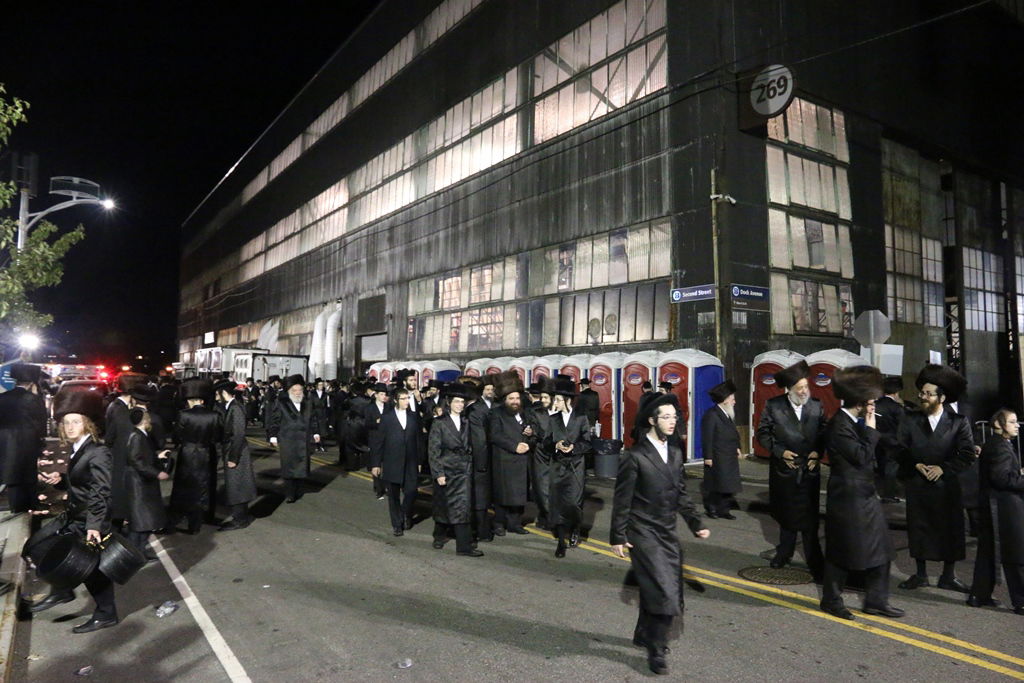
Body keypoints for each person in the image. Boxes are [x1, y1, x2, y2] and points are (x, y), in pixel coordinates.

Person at [611, 394, 709, 676]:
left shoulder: (676, 453)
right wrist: (618, 535)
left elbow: (680, 494)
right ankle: (656, 648)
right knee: (665, 589)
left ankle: (644, 632)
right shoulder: (635, 456)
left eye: (674, 417)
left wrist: (695, 523)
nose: (672, 422)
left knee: (662, 587)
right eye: (665, 417)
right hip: (642, 531)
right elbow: (623, 499)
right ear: (652, 421)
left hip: (666, 531)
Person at [30, 386, 119, 633]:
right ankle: (63, 589)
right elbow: (80, 482)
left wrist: (94, 525)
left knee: (92, 571)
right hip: (74, 514)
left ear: (87, 423)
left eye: (76, 422)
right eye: (66, 422)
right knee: (37, 546)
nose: (70, 427)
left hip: (87, 518)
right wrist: (59, 480)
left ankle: (105, 613)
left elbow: (102, 491)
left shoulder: (98, 451)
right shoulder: (77, 447)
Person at [820, 365, 903, 621]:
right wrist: (870, 428)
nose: (872, 404)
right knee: (843, 551)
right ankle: (831, 600)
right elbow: (861, 455)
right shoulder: (839, 425)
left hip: (866, 495)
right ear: (858, 400)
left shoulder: (853, 422)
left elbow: (876, 446)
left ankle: (876, 601)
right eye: (869, 400)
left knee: (882, 549)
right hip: (848, 497)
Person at [895, 364, 975, 592]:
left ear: (942, 397)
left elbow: (967, 454)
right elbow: (899, 449)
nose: (923, 397)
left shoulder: (959, 422)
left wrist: (944, 468)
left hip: (946, 486)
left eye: (929, 394)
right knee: (919, 529)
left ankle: (948, 576)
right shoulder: (909, 419)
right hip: (918, 484)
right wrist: (915, 464)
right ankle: (920, 575)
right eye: (922, 392)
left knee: (950, 531)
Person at [755, 360, 825, 578]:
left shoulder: (817, 405)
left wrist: (817, 452)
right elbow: (763, 434)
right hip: (785, 470)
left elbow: (824, 432)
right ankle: (784, 553)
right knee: (786, 515)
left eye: (806, 387)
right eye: (800, 388)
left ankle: (814, 559)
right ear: (789, 390)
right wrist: (779, 452)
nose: (804, 391)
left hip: (809, 470)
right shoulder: (774, 405)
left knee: (810, 517)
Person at [967, 409, 1024, 615]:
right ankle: (1021, 601)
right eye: (1012, 422)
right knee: (1016, 554)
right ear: (999, 425)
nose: (1017, 425)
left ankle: (978, 595)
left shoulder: (996, 444)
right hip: (1004, 507)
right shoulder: (1000, 446)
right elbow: (1001, 478)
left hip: (994, 506)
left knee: (988, 552)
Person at [428, 384, 482, 557]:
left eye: (462, 402)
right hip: (447, 469)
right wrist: (439, 473)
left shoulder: (467, 422)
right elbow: (433, 451)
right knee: (443, 505)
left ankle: (464, 546)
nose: (460, 404)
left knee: (463, 507)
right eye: (457, 401)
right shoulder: (439, 423)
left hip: (464, 470)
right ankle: (439, 535)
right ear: (449, 403)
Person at [488, 371, 539, 535]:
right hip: (504, 459)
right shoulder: (497, 413)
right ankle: (499, 523)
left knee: (519, 494)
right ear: (505, 400)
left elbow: (533, 432)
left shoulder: (526, 413)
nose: (515, 401)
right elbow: (495, 435)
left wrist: (530, 438)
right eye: (511, 399)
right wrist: (514, 446)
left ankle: (515, 524)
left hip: (523, 461)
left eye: (517, 398)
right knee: (503, 494)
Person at [546, 377, 592, 557]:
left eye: (557, 399)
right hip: (557, 466)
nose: (554, 402)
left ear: (567, 400)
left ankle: (575, 528)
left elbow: (588, 442)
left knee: (573, 503)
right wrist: (555, 445)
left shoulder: (581, 418)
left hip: (575, 466)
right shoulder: (553, 418)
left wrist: (574, 447)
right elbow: (545, 442)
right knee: (557, 503)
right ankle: (560, 543)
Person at [169, 378, 220, 533]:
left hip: (187, 452)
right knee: (203, 486)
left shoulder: (184, 415)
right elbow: (217, 437)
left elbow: (176, 436)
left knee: (185, 486)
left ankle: (182, 516)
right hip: (205, 452)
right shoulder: (214, 415)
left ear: (191, 400)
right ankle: (200, 519)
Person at [371, 388, 422, 536]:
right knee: (393, 496)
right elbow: (379, 442)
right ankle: (397, 524)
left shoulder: (413, 417)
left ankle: (405, 513)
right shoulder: (387, 418)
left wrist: (419, 460)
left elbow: (419, 440)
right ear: (396, 400)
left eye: (408, 398)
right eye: (403, 399)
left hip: (411, 461)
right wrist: (376, 463)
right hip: (392, 461)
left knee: (411, 491)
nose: (407, 401)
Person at [0, 363, 48, 512]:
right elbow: (41, 422)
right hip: (27, 441)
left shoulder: (2, 398)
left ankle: (16, 507)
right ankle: (32, 504)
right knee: (29, 473)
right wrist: (41, 443)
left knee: (11, 474)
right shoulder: (33, 399)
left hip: (5, 441)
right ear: (31, 383)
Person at [268, 374, 322, 503]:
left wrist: (315, 433)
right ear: (289, 391)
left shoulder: (308, 402)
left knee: (301, 467)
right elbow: (275, 420)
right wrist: (273, 436)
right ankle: (289, 493)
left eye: (300, 390)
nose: (298, 393)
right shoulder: (281, 403)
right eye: (294, 390)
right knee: (289, 467)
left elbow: (313, 418)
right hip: (288, 440)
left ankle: (298, 489)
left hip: (303, 440)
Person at [124, 408, 169, 561]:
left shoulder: (141, 435)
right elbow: (136, 461)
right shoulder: (137, 436)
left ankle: (138, 552)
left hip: (143, 483)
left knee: (144, 522)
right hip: (139, 484)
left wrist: (157, 456)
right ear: (144, 420)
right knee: (141, 522)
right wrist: (157, 473)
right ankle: (133, 554)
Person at [215, 379, 257, 531]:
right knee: (236, 484)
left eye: (217, 393)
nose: (215, 396)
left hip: (236, 451)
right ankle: (240, 516)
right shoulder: (228, 407)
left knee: (237, 485)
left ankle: (240, 519)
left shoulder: (236, 408)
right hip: (233, 449)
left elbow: (239, 434)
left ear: (223, 393)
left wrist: (233, 458)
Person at [105, 373, 145, 527]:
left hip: (117, 454)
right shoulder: (121, 411)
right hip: (120, 456)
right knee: (120, 492)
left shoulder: (116, 406)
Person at [700, 380, 742, 520]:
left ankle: (724, 510)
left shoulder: (727, 413)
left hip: (729, 455)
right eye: (732, 399)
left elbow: (732, 433)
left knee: (727, 486)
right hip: (717, 456)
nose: (734, 402)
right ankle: (712, 509)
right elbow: (707, 437)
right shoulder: (711, 415)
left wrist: (737, 447)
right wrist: (708, 457)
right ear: (725, 400)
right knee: (715, 485)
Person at [467, 375, 496, 541]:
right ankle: (483, 531)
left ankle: (481, 531)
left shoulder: (474, 411)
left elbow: (480, 440)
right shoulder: (482, 409)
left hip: (478, 462)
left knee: (478, 498)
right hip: (485, 460)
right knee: (481, 498)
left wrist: (480, 464)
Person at [874, 375, 907, 504]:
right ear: (897, 391)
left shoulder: (875, 405)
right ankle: (888, 495)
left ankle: (879, 492)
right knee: (891, 469)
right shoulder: (897, 408)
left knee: (880, 468)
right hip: (893, 442)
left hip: (876, 440)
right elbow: (903, 426)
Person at [530, 379, 555, 530]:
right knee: (543, 488)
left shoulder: (562, 412)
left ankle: (549, 517)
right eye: (542, 397)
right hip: (541, 454)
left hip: (558, 456)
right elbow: (535, 433)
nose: (543, 400)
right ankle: (547, 516)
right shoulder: (537, 413)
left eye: (546, 398)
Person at [363, 382, 392, 500]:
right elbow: (366, 424)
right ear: (376, 395)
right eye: (381, 394)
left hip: (387, 439)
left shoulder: (389, 407)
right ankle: (378, 488)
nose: (383, 396)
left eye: (385, 394)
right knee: (376, 464)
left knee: (387, 464)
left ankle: (388, 486)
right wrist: (376, 422)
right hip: (374, 438)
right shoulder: (369, 408)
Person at [310, 378, 330, 452]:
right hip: (315, 412)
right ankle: (316, 445)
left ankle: (322, 445)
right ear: (316, 385)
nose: (321, 386)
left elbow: (327, 405)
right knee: (316, 429)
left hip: (323, 413)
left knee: (323, 430)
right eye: (320, 385)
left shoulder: (325, 394)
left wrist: (327, 415)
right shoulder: (312, 393)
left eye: (322, 385)